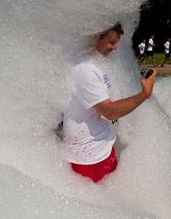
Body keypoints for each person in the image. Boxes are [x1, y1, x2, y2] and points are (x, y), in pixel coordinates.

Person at [63, 23, 156, 183]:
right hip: (89, 157)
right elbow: (109, 111)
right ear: (96, 37)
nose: (115, 47)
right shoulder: (84, 70)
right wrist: (145, 94)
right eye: (111, 42)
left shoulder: (96, 62)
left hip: (101, 147)